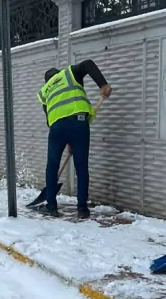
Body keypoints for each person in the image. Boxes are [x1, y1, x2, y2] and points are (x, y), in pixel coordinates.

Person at [37, 60, 111, 219]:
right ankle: (82, 209)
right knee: (81, 167)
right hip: (79, 124)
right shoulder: (69, 74)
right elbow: (88, 64)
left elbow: (50, 117)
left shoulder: (45, 91)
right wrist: (102, 85)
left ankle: (51, 206)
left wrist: (65, 138)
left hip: (57, 129)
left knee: (52, 166)